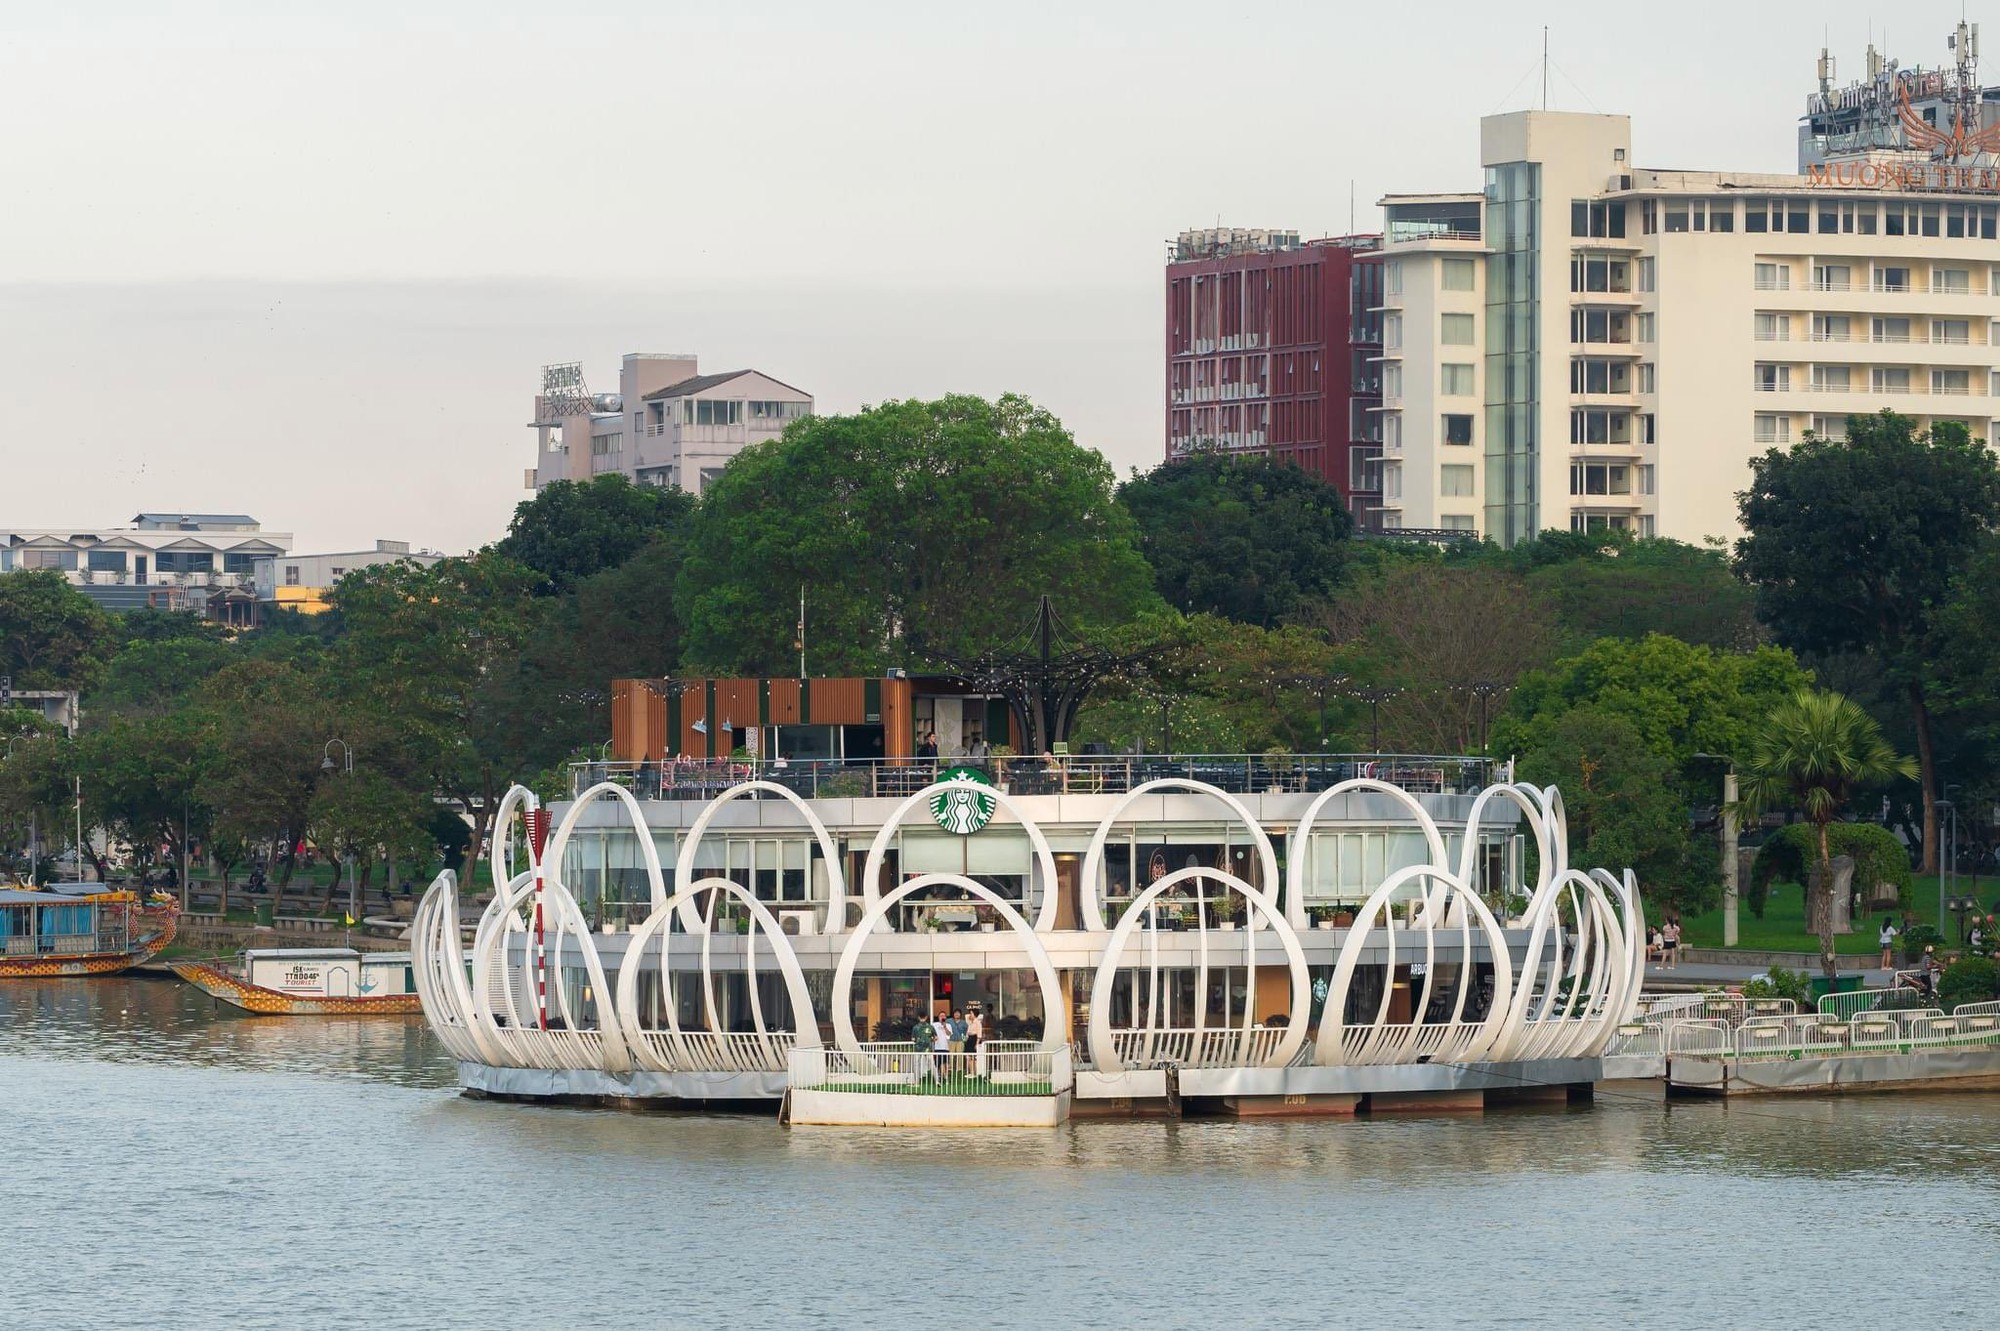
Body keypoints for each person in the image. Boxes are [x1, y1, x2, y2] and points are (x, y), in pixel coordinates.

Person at [930, 1008, 952, 1079]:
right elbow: (930, 1034)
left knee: (945, 1062)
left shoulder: (948, 1025)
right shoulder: (934, 1025)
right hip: (937, 1047)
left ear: (946, 1017)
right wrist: (933, 1038)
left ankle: (945, 1076)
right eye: (941, 1016)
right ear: (938, 1017)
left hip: (945, 1047)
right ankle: (938, 1076)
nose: (942, 1017)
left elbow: (949, 1034)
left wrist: (944, 1027)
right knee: (938, 1063)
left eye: (944, 1016)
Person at [966, 1006, 986, 1079]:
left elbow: (979, 1034)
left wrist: (976, 1044)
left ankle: (974, 1073)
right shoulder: (970, 1022)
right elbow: (968, 1032)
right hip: (970, 1039)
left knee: (973, 1057)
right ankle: (971, 1072)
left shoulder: (978, 1022)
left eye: (971, 1013)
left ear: (974, 1014)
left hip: (974, 1039)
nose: (969, 1015)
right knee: (969, 1057)